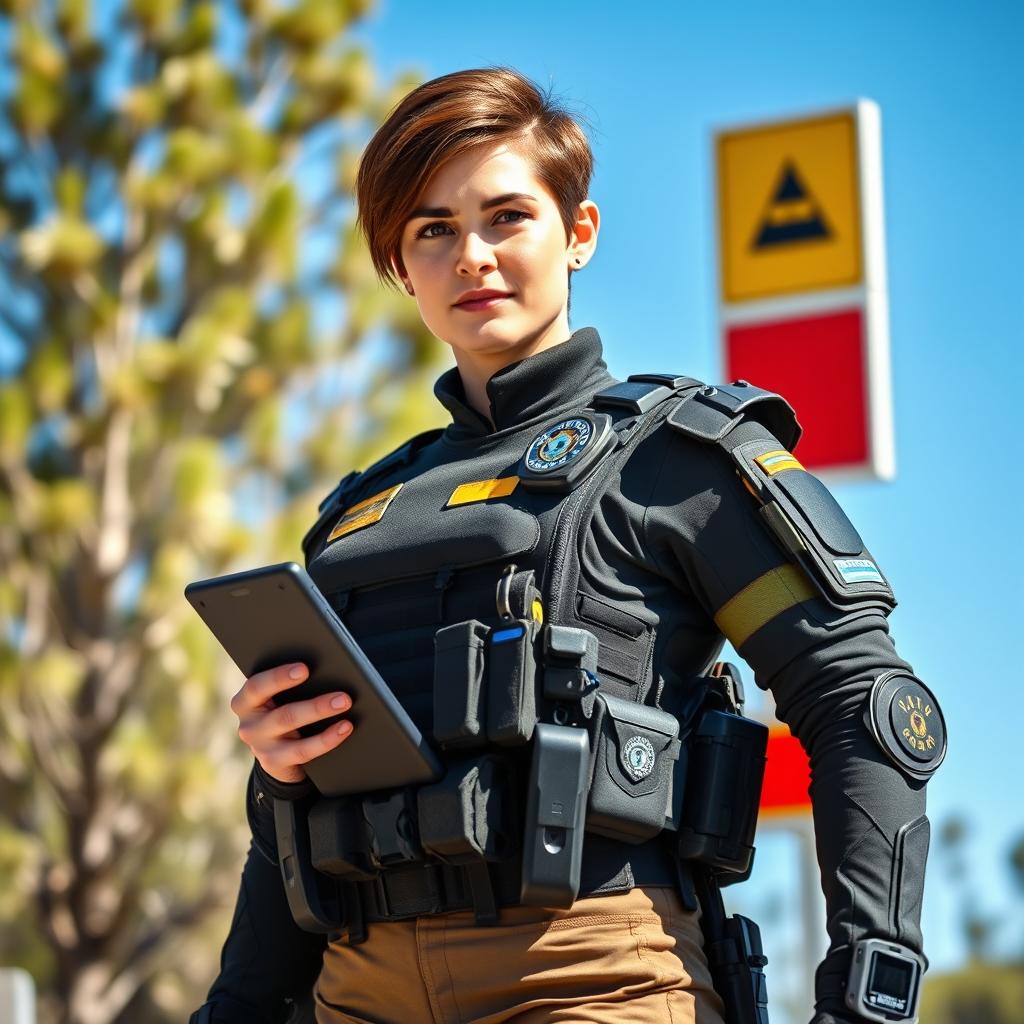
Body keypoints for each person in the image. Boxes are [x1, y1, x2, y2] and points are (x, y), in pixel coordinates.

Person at [191, 67, 944, 1024]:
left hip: (592, 977)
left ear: (578, 232)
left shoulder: (680, 459)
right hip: (358, 988)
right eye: (432, 230)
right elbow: (290, 826)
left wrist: (866, 997)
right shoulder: (355, 515)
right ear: (400, 266)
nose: (472, 256)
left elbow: (862, 704)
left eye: (506, 217)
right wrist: (278, 777)